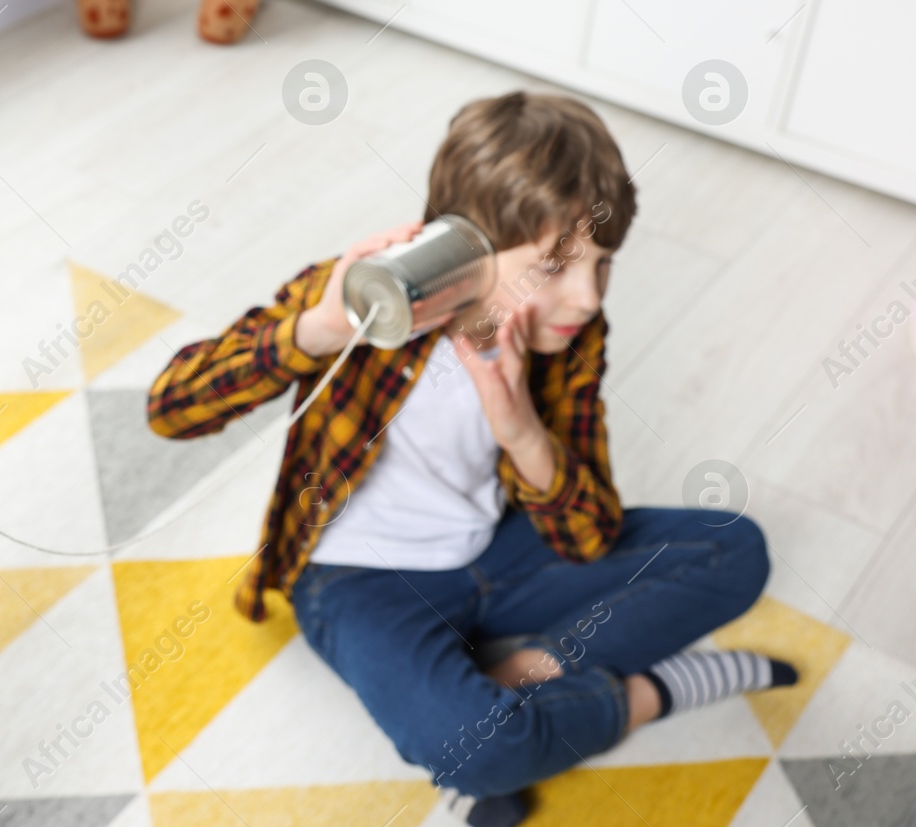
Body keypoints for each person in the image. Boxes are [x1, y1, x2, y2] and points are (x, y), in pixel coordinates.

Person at [146, 91, 795, 827]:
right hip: (360, 579)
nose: (586, 297)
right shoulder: (358, 299)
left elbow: (586, 535)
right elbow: (169, 407)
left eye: (603, 264)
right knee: (475, 751)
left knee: (737, 550)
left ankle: (514, 677)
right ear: (462, 246)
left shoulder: (572, 335)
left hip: (495, 547)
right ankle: (651, 693)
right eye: (555, 267)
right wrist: (319, 328)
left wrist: (520, 428)